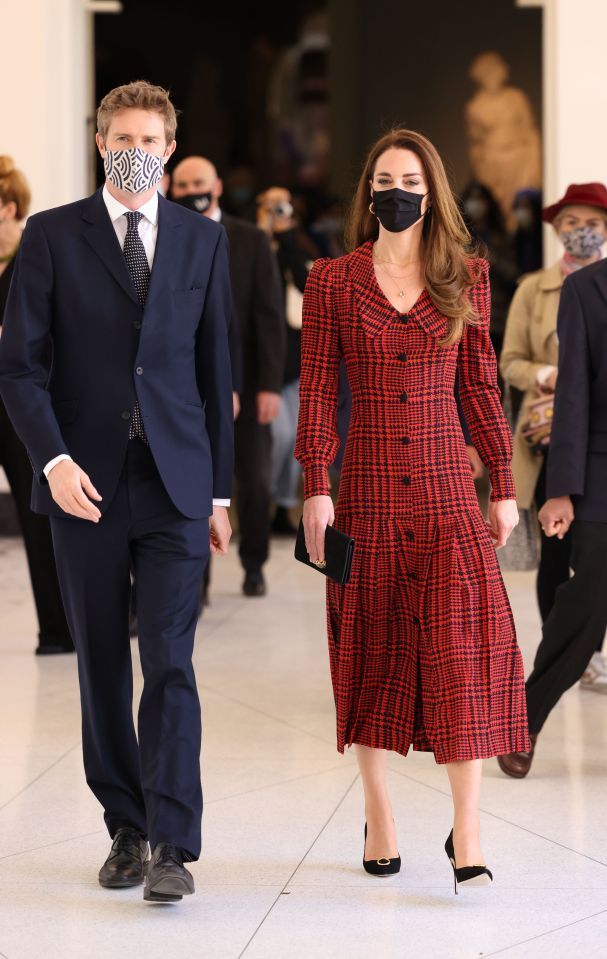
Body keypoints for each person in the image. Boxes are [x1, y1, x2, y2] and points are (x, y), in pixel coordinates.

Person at [0, 81, 234, 903]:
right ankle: (125, 829)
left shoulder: (203, 244)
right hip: (84, 486)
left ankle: (173, 841)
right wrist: (52, 462)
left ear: (168, 147)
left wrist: (220, 495)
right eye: (119, 135)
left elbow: (216, 374)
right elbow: (20, 368)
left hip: (174, 484)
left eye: (149, 136)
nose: (134, 147)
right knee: (101, 660)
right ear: (100, 142)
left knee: (169, 661)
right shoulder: (53, 236)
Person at [295, 128, 527, 891]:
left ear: (432, 192)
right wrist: (314, 485)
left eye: (412, 177)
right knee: (369, 654)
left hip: (443, 496)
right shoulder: (332, 280)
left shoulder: (466, 276)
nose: (398, 188)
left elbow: (480, 388)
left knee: (462, 656)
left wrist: (502, 483)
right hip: (362, 493)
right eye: (385, 177)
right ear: (369, 191)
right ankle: (379, 810)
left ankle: (467, 829)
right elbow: (319, 388)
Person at [498, 251, 607, 778]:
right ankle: (525, 718)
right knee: (584, 606)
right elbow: (574, 394)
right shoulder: (586, 288)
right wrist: (561, 489)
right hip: (601, 474)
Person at [171, 156, 284, 596]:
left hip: (249, 382)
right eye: (181, 184)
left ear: (216, 186)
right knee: (193, 484)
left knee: (254, 481)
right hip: (188, 390)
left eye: (198, 182)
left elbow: (268, 317)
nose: (190, 190)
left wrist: (268, 386)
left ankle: (253, 563)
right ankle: (196, 580)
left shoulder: (250, 240)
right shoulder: (167, 236)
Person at [0, 157, 73, 655]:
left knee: (38, 513)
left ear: (8, 208)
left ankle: (59, 628)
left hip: (23, 400)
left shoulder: (37, 250)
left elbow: (51, 336)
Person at [256, 186, 318, 535]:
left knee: (292, 440)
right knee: (275, 438)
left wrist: (288, 236)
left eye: (283, 204)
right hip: (264, 364)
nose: (277, 211)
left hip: (293, 360)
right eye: (270, 205)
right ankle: (260, 504)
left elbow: (307, 284)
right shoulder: (251, 242)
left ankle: (281, 506)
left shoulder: (299, 245)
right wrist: (266, 233)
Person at [461, 181, 518, 361]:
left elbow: (515, 275)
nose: (475, 204)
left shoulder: (501, 238)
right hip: (462, 315)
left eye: (480, 199)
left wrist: (493, 260)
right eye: (471, 199)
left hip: (497, 318)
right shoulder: (455, 237)